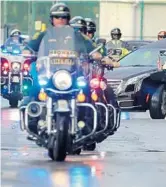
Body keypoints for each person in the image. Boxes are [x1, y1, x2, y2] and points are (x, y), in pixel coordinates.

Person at [20, 2, 101, 140]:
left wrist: (96, 54)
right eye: (57, 17)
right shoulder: (44, 34)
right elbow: (30, 47)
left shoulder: (77, 35)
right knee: (34, 89)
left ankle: (87, 121)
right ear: (52, 19)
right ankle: (33, 121)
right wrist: (27, 51)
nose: (61, 20)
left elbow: (92, 47)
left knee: (86, 90)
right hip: (50, 73)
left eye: (64, 17)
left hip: (71, 74)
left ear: (68, 19)